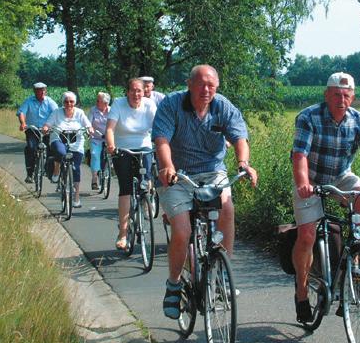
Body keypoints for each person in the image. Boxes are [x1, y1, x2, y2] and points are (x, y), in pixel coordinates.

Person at [291, 72, 360, 323]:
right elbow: (300, 156)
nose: (341, 99)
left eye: (346, 95)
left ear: (353, 97)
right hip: (312, 178)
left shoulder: (358, 120)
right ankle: (301, 292)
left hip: (341, 176)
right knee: (307, 233)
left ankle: (355, 260)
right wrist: (303, 184)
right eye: (337, 94)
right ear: (326, 95)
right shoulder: (309, 117)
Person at [154, 64, 258, 320]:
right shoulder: (171, 104)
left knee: (227, 206)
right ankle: (174, 284)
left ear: (217, 86)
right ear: (189, 84)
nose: (206, 89)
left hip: (212, 172)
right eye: (200, 84)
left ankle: (223, 272)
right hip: (179, 174)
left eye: (211, 84)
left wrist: (243, 163)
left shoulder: (223, 106)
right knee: (182, 231)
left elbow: (239, 138)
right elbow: (162, 140)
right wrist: (167, 166)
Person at [105, 78, 157, 250]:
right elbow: (110, 128)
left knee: (146, 182)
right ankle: (123, 232)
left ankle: (144, 201)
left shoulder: (149, 105)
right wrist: (111, 145)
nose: (136, 94)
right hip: (123, 148)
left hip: (144, 146)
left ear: (144, 92)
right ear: (127, 91)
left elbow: (158, 127)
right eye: (133, 90)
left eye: (139, 91)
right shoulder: (119, 104)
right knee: (126, 188)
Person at [42, 91, 94, 208]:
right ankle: (56, 170)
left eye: (71, 102)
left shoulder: (79, 113)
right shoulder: (56, 112)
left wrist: (90, 129)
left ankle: (76, 197)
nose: (69, 104)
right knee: (61, 153)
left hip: (76, 142)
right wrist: (46, 127)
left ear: (75, 103)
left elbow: (87, 124)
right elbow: (48, 123)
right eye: (66, 101)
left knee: (76, 169)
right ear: (63, 102)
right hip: (59, 139)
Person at [16, 82, 58, 183]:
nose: (41, 92)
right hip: (32, 129)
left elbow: (57, 113)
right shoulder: (29, 101)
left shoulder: (50, 102)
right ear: (35, 91)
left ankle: (50, 171)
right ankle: (30, 174)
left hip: (47, 130)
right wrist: (23, 123)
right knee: (30, 148)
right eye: (39, 90)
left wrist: (52, 126)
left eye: (43, 90)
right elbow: (21, 112)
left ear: (45, 91)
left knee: (51, 149)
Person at [88, 92, 111, 190]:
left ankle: (110, 168)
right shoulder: (93, 110)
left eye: (98, 101)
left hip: (109, 138)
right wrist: (90, 129)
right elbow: (88, 123)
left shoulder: (112, 111)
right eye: (96, 100)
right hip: (96, 137)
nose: (96, 102)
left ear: (105, 103)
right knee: (94, 154)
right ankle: (94, 179)